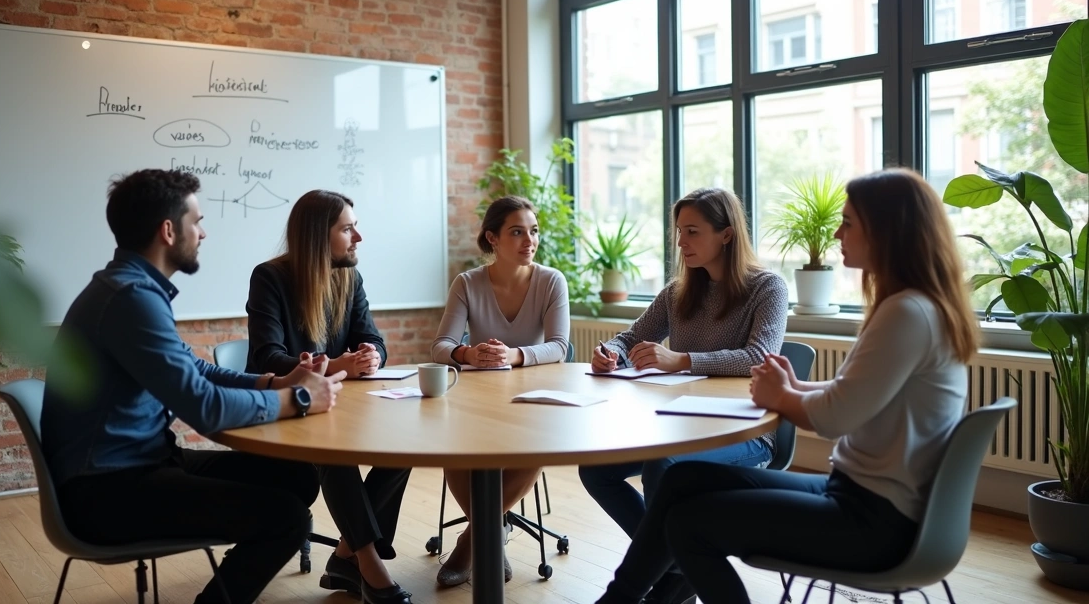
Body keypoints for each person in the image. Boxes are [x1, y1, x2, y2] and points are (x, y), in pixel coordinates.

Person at [596, 168, 980, 604]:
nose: (837, 233)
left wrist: (784, 395)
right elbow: (852, 394)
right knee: (682, 478)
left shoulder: (906, 313)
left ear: (888, 230)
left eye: (849, 222)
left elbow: (834, 419)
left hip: (874, 519)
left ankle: (621, 600)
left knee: (687, 522)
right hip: (861, 496)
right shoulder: (916, 308)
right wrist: (797, 386)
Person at [41, 169, 345, 604]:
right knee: (289, 518)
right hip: (107, 491)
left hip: (138, 464)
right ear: (168, 231)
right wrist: (299, 398)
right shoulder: (131, 300)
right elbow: (205, 408)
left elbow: (197, 370)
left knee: (293, 476)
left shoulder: (131, 289)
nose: (203, 233)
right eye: (197, 221)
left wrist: (276, 380)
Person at [579, 187, 788, 603]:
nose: (681, 242)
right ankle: (678, 567)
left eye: (692, 231)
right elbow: (630, 337)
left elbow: (758, 357)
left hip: (743, 434)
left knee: (664, 466)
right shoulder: (678, 291)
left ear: (726, 235)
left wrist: (682, 359)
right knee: (595, 469)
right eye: (679, 231)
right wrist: (611, 354)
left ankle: (670, 573)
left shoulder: (768, 288)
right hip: (678, 427)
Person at [246, 189, 413, 604]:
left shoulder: (348, 276)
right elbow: (264, 358)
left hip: (343, 406)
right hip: (288, 409)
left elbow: (371, 338)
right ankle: (371, 565)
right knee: (335, 453)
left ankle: (345, 554)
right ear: (318, 236)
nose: (358, 237)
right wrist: (338, 365)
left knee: (407, 445)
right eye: (348, 229)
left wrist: (373, 355)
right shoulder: (270, 278)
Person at [428, 195, 571, 587]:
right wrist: (468, 352)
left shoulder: (551, 280)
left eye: (534, 231)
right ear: (492, 238)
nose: (530, 240)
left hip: (532, 399)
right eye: (517, 232)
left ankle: (473, 541)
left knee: (538, 445)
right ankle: (492, 535)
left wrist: (514, 354)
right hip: (475, 400)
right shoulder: (468, 283)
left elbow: (560, 346)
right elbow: (440, 346)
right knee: (450, 444)